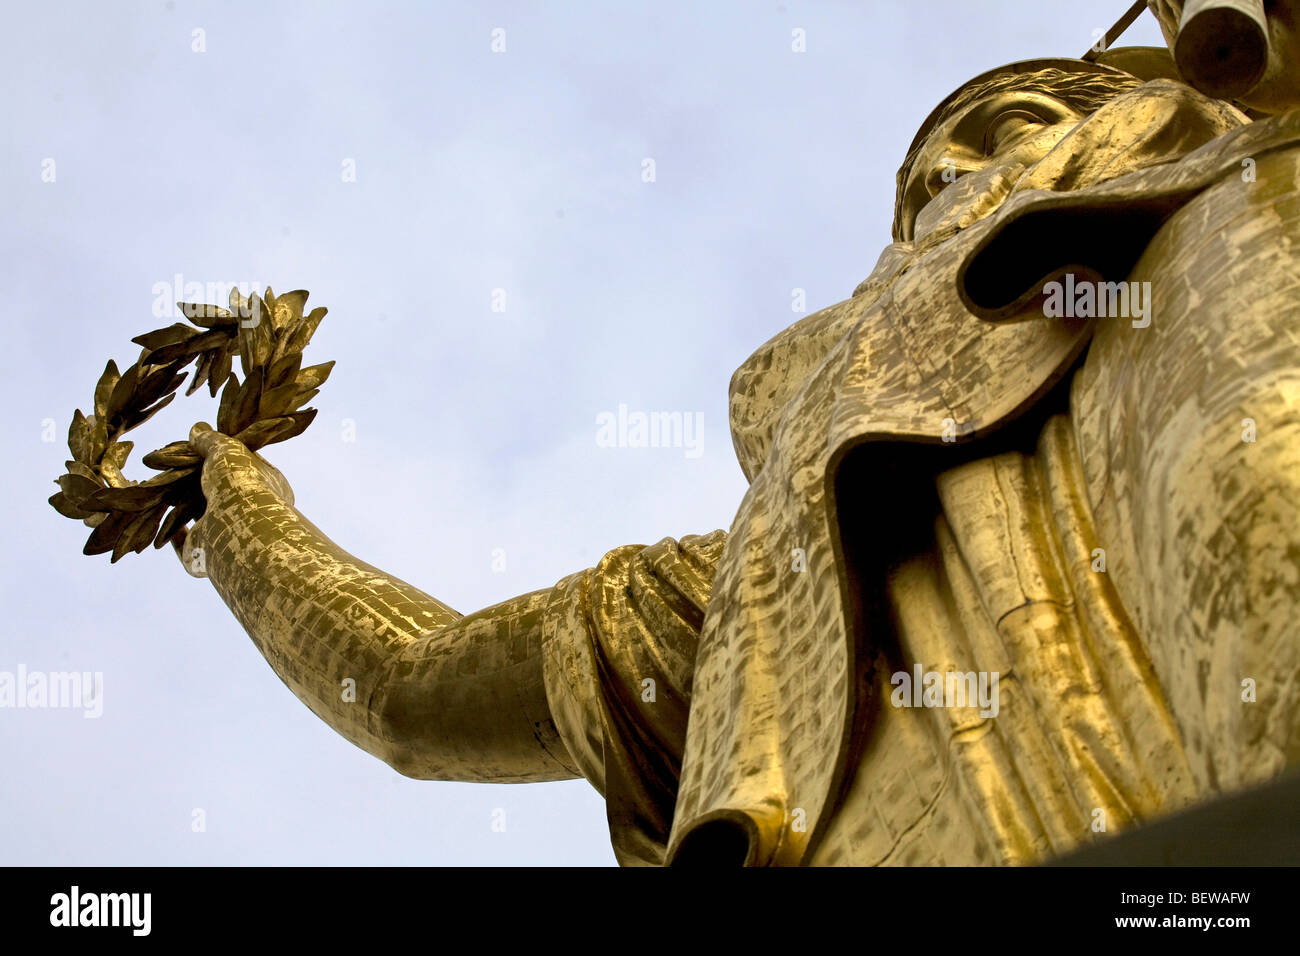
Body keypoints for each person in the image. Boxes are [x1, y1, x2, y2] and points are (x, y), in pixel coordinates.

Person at [177, 34, 1300, 865]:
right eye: (920, 190)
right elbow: (411, 694)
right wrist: (236, 516)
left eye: (1026, 118)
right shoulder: (775, 605)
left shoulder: (1253, 218)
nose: (961, 174)